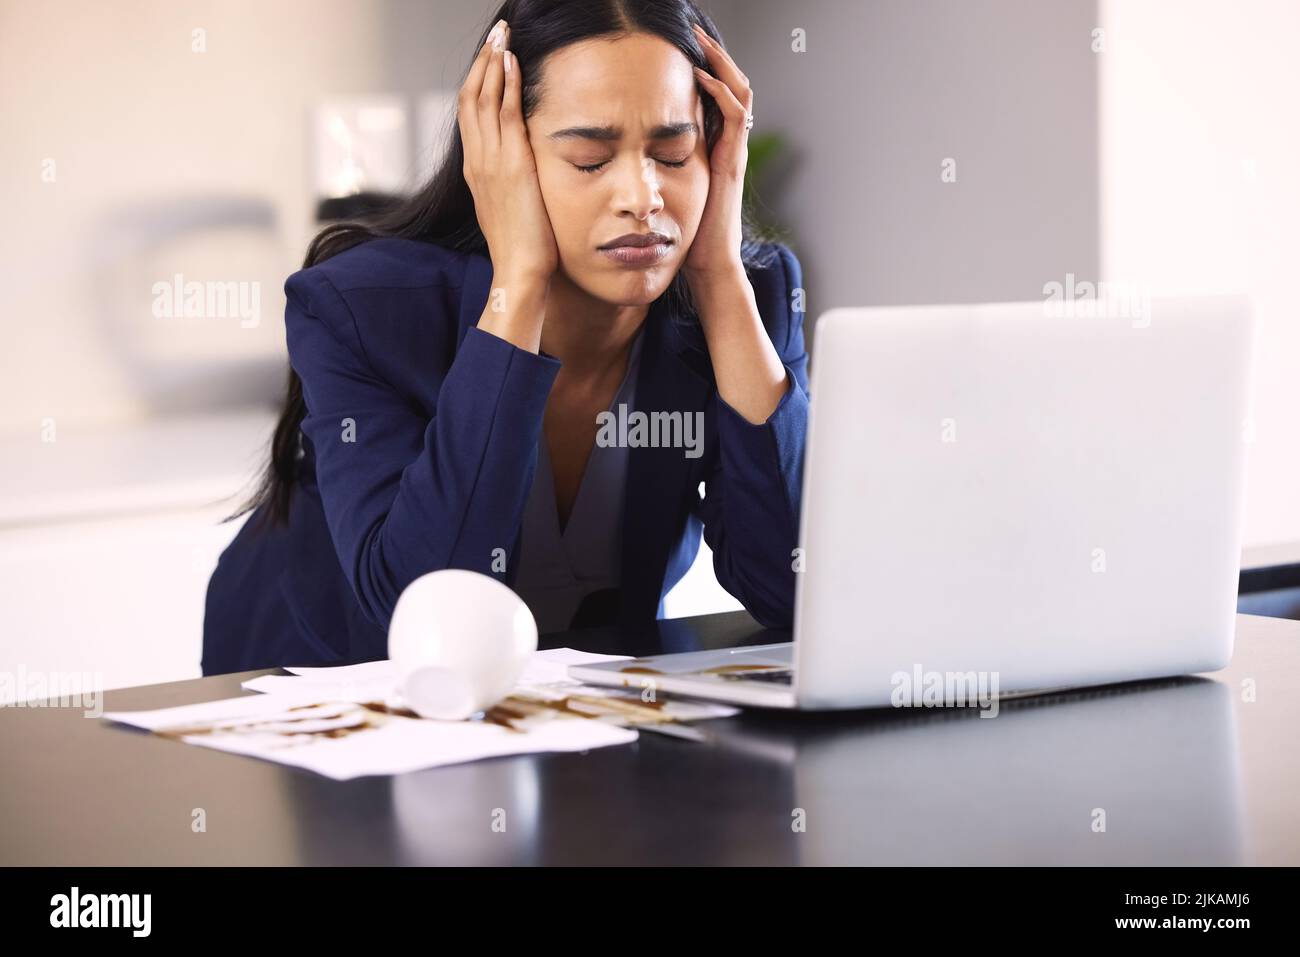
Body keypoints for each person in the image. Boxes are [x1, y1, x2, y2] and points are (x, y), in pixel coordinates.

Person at [202, 0, 809, 674]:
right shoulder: (361, 309)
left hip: (572, 718)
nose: (643, 197)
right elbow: (422, 599)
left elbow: (793, 588)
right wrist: (518, 282)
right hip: (319, 691)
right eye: (589, 159)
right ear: (500, 156)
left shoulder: (749, 301)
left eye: (672, 152)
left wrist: (721, 278)